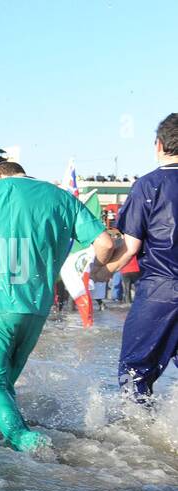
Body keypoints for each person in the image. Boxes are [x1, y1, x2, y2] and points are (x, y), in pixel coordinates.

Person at [0, 161, 114, 451]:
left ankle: (23, 438)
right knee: (5, 381)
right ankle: (4, 434)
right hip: (37, 307)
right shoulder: (64, 198)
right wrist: (100, 269)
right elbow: (104, 242)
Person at [102, 113, 178, 402]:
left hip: (161, 288)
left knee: (136, 371)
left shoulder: (148, 185)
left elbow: (131, 246)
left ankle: (136, 437)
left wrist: (102, 270)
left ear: (158, 145)